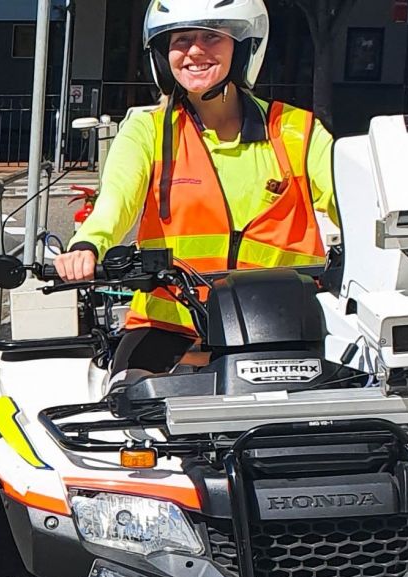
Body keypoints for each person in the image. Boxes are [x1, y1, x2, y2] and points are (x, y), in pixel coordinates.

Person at [55, 0, 338, 375]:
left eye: (211, 36)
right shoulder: (148, 131)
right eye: (181, 39)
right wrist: (88, 245)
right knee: (124, 406)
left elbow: (353, 202)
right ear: (161, 54)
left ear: (243, 47)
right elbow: (115, 201)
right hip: (170, 325)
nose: (194, 51)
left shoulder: (297, 132)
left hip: (279, 325)